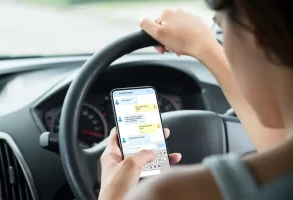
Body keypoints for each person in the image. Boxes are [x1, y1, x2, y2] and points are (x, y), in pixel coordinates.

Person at [99, 0, 293, 199]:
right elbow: (278, 149)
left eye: (220, 27)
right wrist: (204, 47)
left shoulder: (164, 193)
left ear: (254, 32)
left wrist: (112, 193)